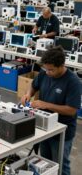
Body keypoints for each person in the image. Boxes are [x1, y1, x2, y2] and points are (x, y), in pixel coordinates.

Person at [21, 47, 81, 175]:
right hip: (44, 126)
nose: (47, 72)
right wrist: (28, 94)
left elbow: (71, 110)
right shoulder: (44, 73)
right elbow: (33, 85)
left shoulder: (73, 82)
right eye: (46, 69)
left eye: (51, 70)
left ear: (62, 66)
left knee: (61, 164)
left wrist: (45, 104)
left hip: (62, 130)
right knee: (45, 163)